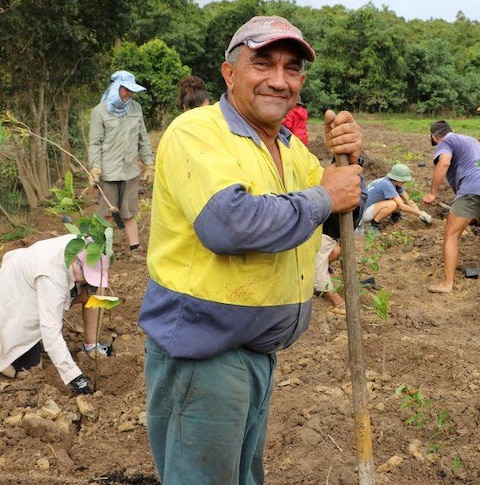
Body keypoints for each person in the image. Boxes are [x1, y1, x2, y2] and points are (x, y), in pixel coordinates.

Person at [137, 15, 364, 484]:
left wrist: (349, 172)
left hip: (258, 352)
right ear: (230, 72)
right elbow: (228, 225)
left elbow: (335, 223)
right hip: (205, 355)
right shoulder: (196, 132)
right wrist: (326, 194)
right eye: (263, 64)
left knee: (243, 476)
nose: (279, 80)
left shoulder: (290, 149)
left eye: (292, 69)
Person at [0, 234, 111, 395]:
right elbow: (50, 331)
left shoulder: (84, 244)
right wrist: (75, 377)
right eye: (85, 276)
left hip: (31, 275)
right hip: (16, 296)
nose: (87, 281)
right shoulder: (51, 276)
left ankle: (91, 345)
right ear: (75, 261)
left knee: (95, 292)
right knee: (31, 370)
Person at [422, 120, 480, 293]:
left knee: (451, 234)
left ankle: (447, 284)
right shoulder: (470, 140)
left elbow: (444, 163)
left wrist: (432, 193)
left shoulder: (446, 142)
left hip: (472, 188)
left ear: (435, 137)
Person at [88, 69, 155, 262]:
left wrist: (149, 164)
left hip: (130, 170)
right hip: (107, 172)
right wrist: (95, 167)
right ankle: (106, 252)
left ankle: (135, 249)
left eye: (131, 91)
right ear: (116, 88)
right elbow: (95, 142)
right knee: (108, 214)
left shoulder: (136, 109)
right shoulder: (99, 112)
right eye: (125, 90)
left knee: (129, 211)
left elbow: (143, 138)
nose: (129, 94)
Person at [362, 163, 432, 233]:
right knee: (393, 204)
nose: (405, 181)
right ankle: (373, 225)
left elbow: (408, 200)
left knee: (398, 200)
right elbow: (402, 206)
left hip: (369, 209)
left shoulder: (394, 183)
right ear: (398, 179)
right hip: (363, 214)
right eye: (404, 180)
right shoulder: (387, 185)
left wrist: (419, 213)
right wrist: (421, 213)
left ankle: (395, 217)